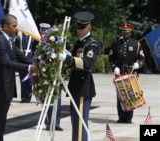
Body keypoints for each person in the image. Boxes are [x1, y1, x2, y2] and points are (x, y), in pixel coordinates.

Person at [0, 14, 38, 141]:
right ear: (5, 26)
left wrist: (37, 62)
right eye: (14, 26)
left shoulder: (8, 40)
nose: (16, 29)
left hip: (5, 88)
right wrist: (30, 68)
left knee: (1, 124)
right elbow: (7, 63)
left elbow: (19, 56)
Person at [59, 11, 100, 141]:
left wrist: (68, 59)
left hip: (83, 86)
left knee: (80, 122)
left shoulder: (92, 44)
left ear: (89, 27)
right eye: (77, 27)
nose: (78, 30)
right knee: (76, 122)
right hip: (75, 86)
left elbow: (88, 64)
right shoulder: (78, 43)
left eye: (82, 27)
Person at [108, 23, 145, 124]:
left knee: (130, 95)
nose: (125, 34)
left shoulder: (136, 44)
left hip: (131, 73)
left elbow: (142, 58)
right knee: (121, 96)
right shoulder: (116, 45)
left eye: (127, 32)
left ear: (131, 33)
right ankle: (121, 117)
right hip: (120, 74)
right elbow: (111, 59)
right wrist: (114, 67)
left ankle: (128, 118)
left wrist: (138, 65)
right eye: (123, 32)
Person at [39, 23, 64, 131]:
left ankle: (56, 122)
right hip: (45, 73)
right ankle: (49, 122)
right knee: (47, 99)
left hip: (56, 73)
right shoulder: (42, 41)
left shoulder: (59, 42)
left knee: (57, 99)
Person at [14, 31, 36, 103]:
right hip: (22, 58)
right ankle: (23, 97)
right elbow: (16, 47)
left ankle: (28, 96)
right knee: (23, 79)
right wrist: (18, 37)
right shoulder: (19, 36)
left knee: (29, 79)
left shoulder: (32, 36)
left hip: (30, 58)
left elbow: (35, 47)